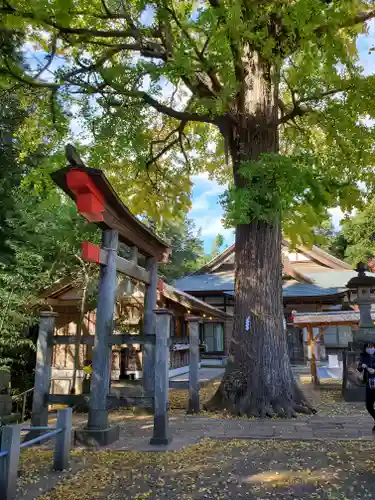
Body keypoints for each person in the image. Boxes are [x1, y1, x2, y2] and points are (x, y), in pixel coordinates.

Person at [357, 342, 375, 430]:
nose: (370, 349)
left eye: (372, 347)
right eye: (368, 347)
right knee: (369, 406)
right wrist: (361, 366)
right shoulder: (363, 356)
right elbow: (359, 368)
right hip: (369, 384)